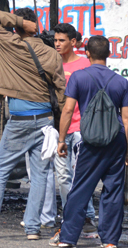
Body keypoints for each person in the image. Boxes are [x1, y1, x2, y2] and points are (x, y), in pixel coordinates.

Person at [0, 8, 65, 240]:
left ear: (16, 25)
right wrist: (60, 128)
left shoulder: (9, 43)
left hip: (20, 122)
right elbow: (61, 93)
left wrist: (21, 23)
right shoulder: (51, 54)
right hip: (46, 121)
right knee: (40, 176)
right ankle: (32, 229)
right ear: (34, 25)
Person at [51, 36, 128, 248]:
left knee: (81, 189)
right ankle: (110, 241)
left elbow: (67, 109)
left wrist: (61, 139)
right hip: (116, 140)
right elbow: (126, 118)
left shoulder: (78, 77)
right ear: (109, 54)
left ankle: (68, 239)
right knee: (113, 191)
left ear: (87, 53)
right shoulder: (122, 82)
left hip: (91, 140)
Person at [51, 24, 95, 233]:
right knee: (62, 177)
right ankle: (73, 214)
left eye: (61, 40)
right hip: (60, 129)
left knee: (81, 175)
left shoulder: (86, 64)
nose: (57, 44)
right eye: (55, 40)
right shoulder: (53, 63)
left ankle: (84, 217)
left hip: (81, 129)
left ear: (73, 42)